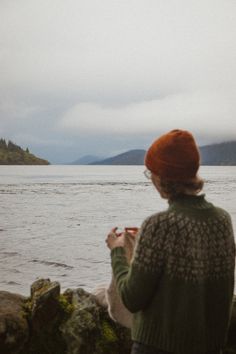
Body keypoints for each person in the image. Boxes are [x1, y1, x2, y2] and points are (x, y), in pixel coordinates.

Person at [106, 129, 235, 354]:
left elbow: (132, 299)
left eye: (151, 173)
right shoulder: (222, 220)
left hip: (157, 347)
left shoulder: (158, 225)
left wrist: (118, 252)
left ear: (162, 177)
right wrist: (147, 246)